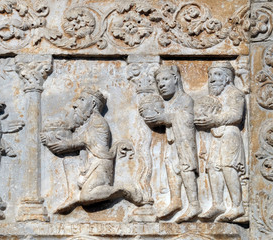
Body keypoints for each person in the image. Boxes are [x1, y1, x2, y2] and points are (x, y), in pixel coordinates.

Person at [41, 88, 142, 213]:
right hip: (89, 165)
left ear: (93, 104)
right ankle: (73, 197)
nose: (75, 104)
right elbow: (73, 138)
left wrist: (63, 144)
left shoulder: (98, 123)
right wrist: (53, 140)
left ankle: (124, 189)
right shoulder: (86, 124)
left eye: (82, 100)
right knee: (69, 163)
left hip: (100, 164)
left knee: (87, 196)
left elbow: (82, 141)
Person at [140, 65, 201, 223]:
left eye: (165, 79)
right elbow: (167, 116)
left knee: (186, 167)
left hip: (185, 142)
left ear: (175, 79)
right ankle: (176, 200)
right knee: (170, 166)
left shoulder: (185, 99)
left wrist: (166, 118)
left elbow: (186, 119)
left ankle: (194, 204)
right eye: (159, 82)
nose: (161, 84)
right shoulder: (169, 102)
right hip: (173, 142)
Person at [195, 61, 246, 222]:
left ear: (227, 78)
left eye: (217, 75)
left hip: (230, 134)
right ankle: (218, 204)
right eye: (210, 75)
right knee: (212, 167)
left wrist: (213, 120)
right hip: (218, 134)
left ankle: (237, 206)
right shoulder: (216, 96)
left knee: (227, 166)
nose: (212, 79)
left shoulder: (235, 93)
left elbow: (236, 115)